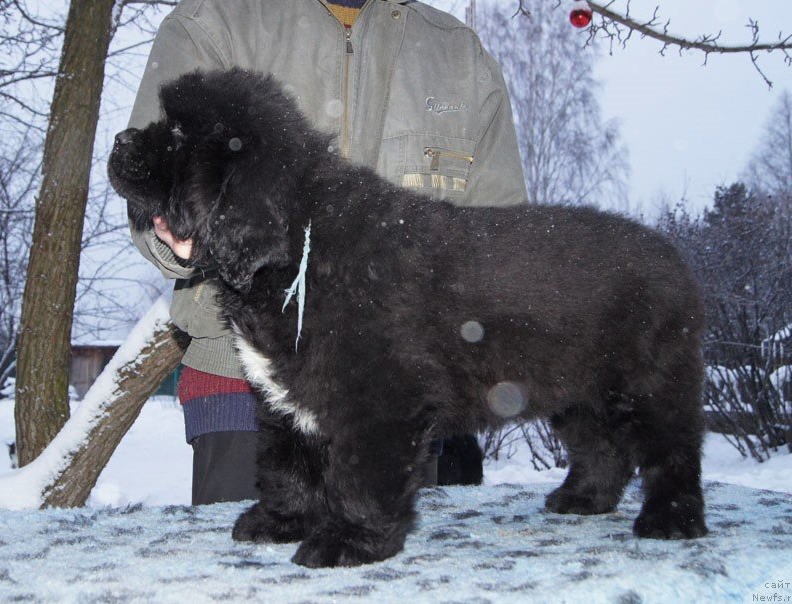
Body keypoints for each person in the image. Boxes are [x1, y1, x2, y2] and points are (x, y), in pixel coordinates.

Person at [127, 0, 527, 505]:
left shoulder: (458, 54)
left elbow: (498, 242)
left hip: (401, 404)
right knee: (251, 557)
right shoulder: (212, 23)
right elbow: (150, 184)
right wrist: (176, 232)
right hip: (247, 392)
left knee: (392, 555)